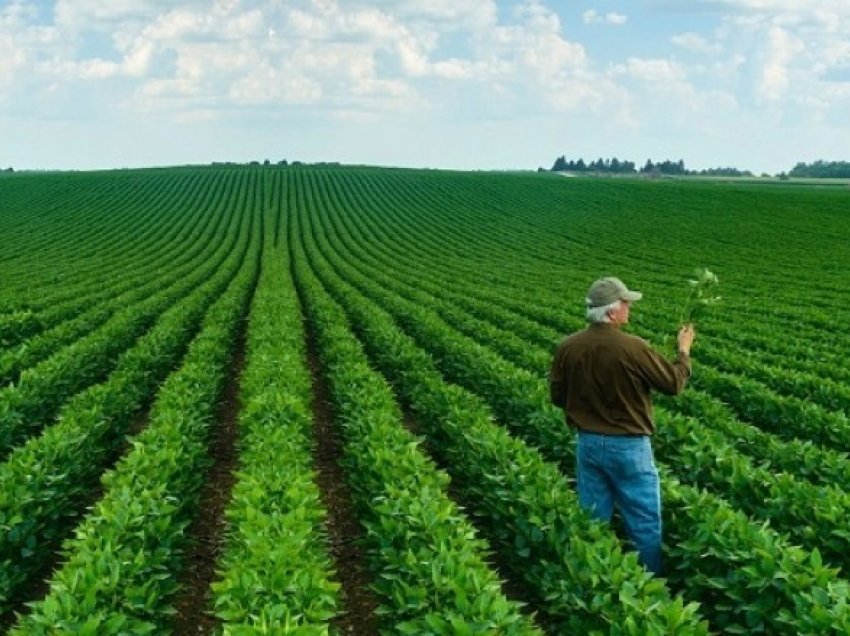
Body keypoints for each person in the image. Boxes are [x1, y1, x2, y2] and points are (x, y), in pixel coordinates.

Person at [548, 276, 695, 576]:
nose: (629, 307)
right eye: (626, 302)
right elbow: (673, 383)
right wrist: (684, 351)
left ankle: (594, 581)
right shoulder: (632, 347)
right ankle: (648, 589)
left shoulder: (568, 347)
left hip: (588, 444)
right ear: (612, 312)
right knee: (643, 523)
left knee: (592, 519)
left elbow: (557, 396)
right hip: (629, 447)